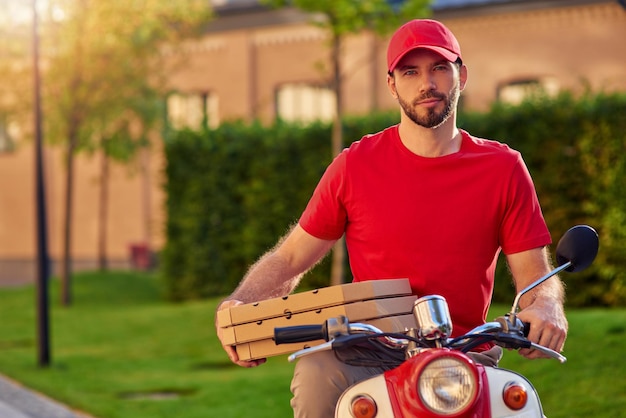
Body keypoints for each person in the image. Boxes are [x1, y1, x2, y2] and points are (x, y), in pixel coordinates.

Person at [215, 18, 568, 417]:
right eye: (410, 72)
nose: (426, 84)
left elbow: (536, 278)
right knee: (315, 369)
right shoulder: (355, 166)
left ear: (461, 76)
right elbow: (291, 258)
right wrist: (242, 303)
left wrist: (547, 307)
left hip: (464, 351)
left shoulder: (503, 168)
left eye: (439, 68)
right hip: (368, 349)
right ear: (392, 85)